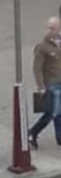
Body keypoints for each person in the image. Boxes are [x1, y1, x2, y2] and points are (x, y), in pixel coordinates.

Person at [29, 16, 61, 149]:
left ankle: (59, 137)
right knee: (52, 112)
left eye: (53, 28)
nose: (50, 31)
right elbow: (37, 68)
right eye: (49, 28)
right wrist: (41, 86)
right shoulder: (42, 47)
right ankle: (32, 132)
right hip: (51, 84)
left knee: (58, 112)